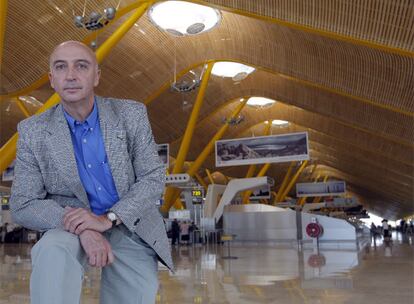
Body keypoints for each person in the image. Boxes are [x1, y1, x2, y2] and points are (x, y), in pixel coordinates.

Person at [10, 41, 172, 304]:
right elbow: (23, 203)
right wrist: (83, 226)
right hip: (68, 224)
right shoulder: (33, 130)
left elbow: (152, 178)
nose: (71, 75)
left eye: (81, 66)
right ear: (52, 79)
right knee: (52, 252)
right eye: (61, 67)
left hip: (127, 222)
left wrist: (108, 219)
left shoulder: (130, 114)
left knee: (134, 295)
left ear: (96, 75)